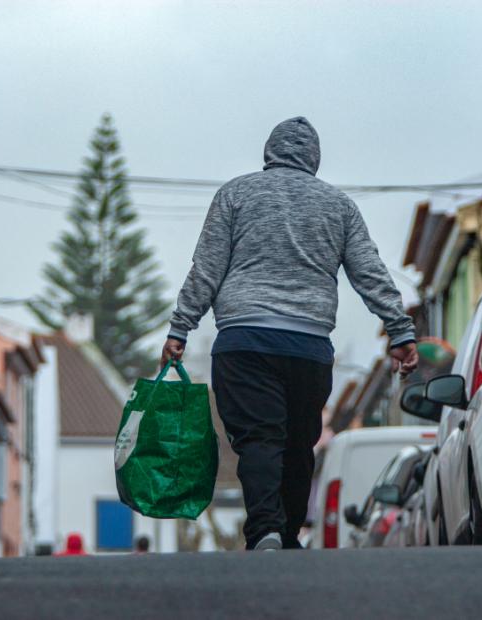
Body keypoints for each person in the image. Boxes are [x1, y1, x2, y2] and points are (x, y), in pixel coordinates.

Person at [162, 117, 418, 551]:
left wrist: (180, 327)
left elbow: (206, 268)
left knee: (261, 438)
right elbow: (369, 271)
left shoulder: (235, 194)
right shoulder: (339, 206)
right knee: (300, 442)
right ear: (314, 159)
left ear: (269, 152)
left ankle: (265, 530)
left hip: (244, 342)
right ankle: (289, 532)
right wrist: (399, 329)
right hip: (308, 346)